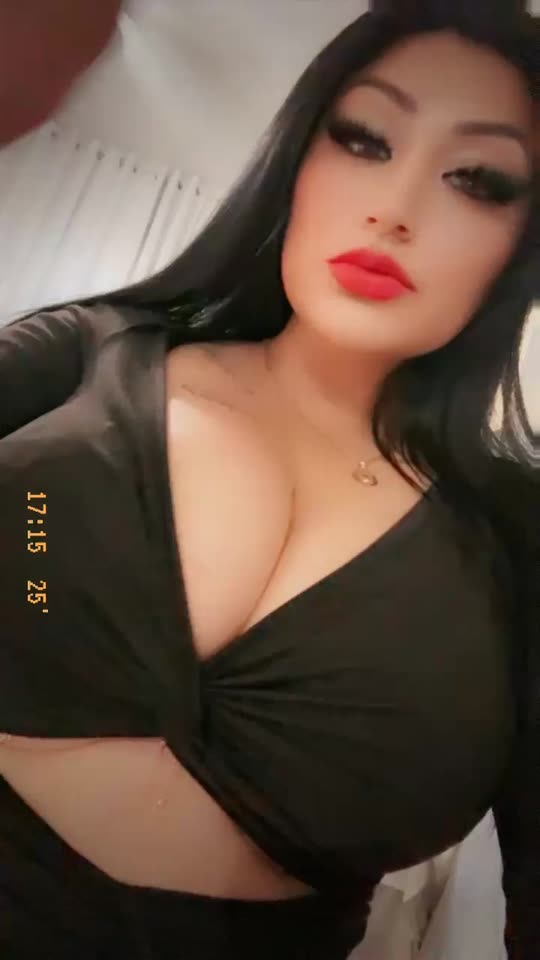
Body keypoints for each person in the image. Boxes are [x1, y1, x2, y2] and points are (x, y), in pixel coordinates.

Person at [0, 1, 538, 957]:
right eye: (364, 138)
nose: (395, 208)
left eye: (477, 179)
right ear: (300, 160)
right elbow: (34, 564)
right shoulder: (85, 355)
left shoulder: (517, 534)